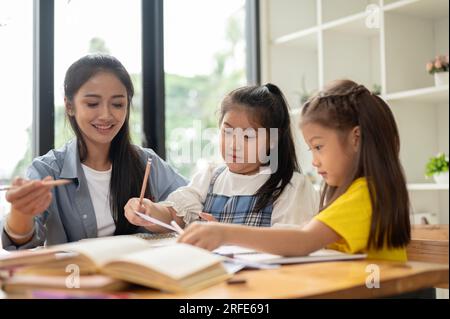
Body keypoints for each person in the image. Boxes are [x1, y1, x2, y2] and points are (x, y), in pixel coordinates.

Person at [178, 79, 411, 262]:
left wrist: (224, 233)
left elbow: (304, 240)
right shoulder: (358, 193)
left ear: (355, 139)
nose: (315, 161)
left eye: (319, 147)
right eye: (311, 149)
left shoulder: (364, 195)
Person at [1, 54, 188, 250]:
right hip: (76, 279)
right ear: (69, 106)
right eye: (92, 104)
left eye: (117, 104)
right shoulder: (47, 170)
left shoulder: (147, 162)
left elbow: (193, 207)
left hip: (144, 277)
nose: (106, 115)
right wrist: (20, 213)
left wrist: (156, 213)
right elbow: (20, 244)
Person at [124, 84, 318, 232]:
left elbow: (289, 246)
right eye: (228, 132)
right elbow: (174, 215)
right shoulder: (210, 177)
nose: (235, 144)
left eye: (248, 136)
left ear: (273, 140)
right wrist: (148, 211)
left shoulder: (291, 187)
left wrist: (226, 236)